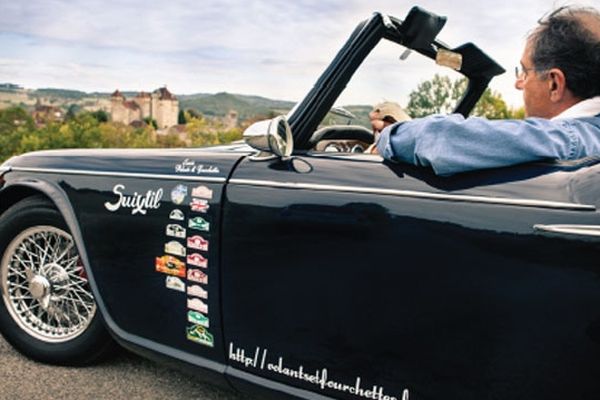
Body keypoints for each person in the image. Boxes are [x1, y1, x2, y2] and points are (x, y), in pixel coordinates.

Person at [376, 6, 600, 175]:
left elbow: (441, 138)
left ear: (554, 84)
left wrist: (391, 134)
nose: (518, 83)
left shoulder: (572, 139)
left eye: (524, 72)